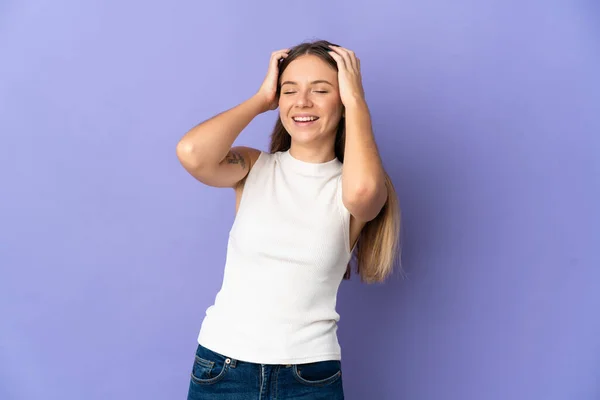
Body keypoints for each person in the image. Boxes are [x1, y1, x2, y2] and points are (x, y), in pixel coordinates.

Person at [176, 39, 401, 400]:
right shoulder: (252, 168)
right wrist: (260, 100)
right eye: (290, 90)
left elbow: (363, 195)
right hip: (222, 369)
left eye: (322, 90)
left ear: (342, 100)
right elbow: (191, 152)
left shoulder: (352, 187)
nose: (302, 102)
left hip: (309, 377)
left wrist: (357, 101)